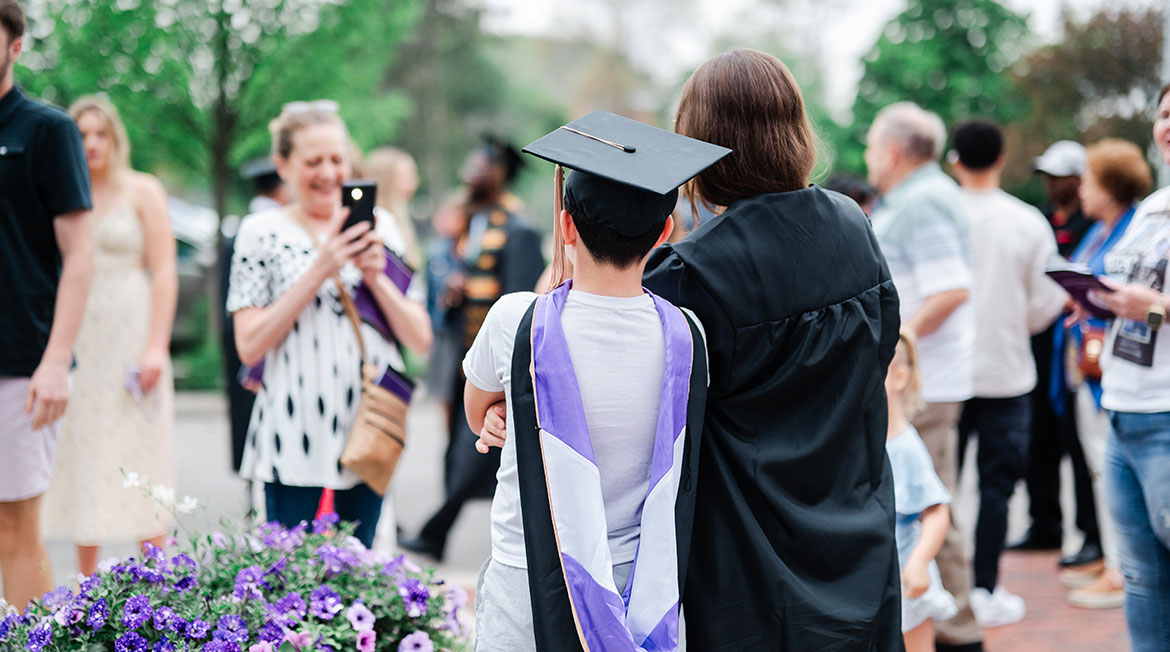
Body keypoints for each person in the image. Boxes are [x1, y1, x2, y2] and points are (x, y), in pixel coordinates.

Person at [476, 49, 903, 649]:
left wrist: (522, 399)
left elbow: (609, 389)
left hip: (747, 565)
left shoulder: (689, 277)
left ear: (699, 142)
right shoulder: (852, 226)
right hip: (855, 539)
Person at [465, 111, 722, 651]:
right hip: (637, 588)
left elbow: (476, 410)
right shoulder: (687, 334)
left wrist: (498, 410)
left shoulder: (518, 321)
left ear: (565, 227)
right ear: (664, 233)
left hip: (527, 580)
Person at [227, 102, 431, 548]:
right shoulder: (261, 231)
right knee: (288, 579)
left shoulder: (382, 226)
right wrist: (320, 268)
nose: (328, 173)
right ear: (284, 165)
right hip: (291, 431)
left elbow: (420, 337)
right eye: (313, 161)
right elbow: (249, 345)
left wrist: (376, 279)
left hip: (368, 427)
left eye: (336, 159)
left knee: (362, 572)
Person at [40, 95, 178, 576]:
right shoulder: (61, 191)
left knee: (143, 446)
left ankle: (159, 580)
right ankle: (85, 582)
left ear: (116, 139)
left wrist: (156, 344)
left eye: (101, 133)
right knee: (83, 447)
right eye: (81, 133)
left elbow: (164, 271)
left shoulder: (143, 190)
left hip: (131, 329)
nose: (91, 143)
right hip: (78, 333)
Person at [866, 102, 982, 651]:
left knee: (934, 515)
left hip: (921, 385)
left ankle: (957, 634)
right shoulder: (918, 198)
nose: (867, 157)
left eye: (869, 145)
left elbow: (951, 289)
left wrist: (895, 344)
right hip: (917, 379)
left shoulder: (925, 200)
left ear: (892, 149)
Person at [399, 137, 544, 561]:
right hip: (468, 356)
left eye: (479, 162)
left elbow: (517, 299)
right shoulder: (475, 221)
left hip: (494, 363)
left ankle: (436, 530)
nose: (470, 168)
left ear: (497, 172)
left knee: (474, 450)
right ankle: (438, 533)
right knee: (465, 451)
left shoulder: (516, 227)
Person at [950, 120, 1068, 627]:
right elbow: (1051, 298)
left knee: (937, 485)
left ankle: (938, 587)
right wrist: (1014, 323)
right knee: (997, 488)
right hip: (1007, 369)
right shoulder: (1027, 222)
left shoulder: (937, 213)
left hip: (944, 374)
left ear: (954, 160)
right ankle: (984, 587)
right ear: (1000, 160)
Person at [1070, 82, 1170, 652]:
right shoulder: (1154, 207)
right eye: (1162, 113)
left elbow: (1153, 305)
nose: (1168, 124)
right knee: (1142, 579)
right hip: (1123, 408)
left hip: (1164, 412)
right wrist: (1093, 298)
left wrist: (1153, 311)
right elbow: (1130, 291)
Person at [0, 0, 93, 610]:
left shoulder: (46, 130)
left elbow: (81, 254)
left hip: (19, 362)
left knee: (14, 529)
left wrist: (56, 360)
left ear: (14, 46)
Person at [1059, 139, 1151, 609]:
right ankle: (1114, 561)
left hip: (1122, 376)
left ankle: (1120, 567)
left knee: (1110, 470)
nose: (1082, 191)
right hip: (1094, 365)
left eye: (1089, 182)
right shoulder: (1102, 231)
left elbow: (1145, 307)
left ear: (1110, 187)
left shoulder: (1138, 227)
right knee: (1099, 469)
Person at [1016, 139, 1101, 563]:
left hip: (1076, 345)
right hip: (1040, 341)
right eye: (1046, 176)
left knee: (1080, 441)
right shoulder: (1043, 222)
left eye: (1058, 177)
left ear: (1078, 179)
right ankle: (1043, 522)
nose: (1050, 184)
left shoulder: (1094, 225)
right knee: (1039, 437)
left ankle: (1091, 534)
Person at [886, 329, 957, 652]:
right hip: (881, 579)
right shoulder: (863, 442)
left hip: (908, 578)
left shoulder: (906, 448)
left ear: (899, 378)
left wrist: (918, 560)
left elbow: (936, 510)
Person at [366, 146, 423, 270]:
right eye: (406, 177)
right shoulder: (380, 222)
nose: (414, 183)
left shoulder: (401, 221)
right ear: (386, 181)